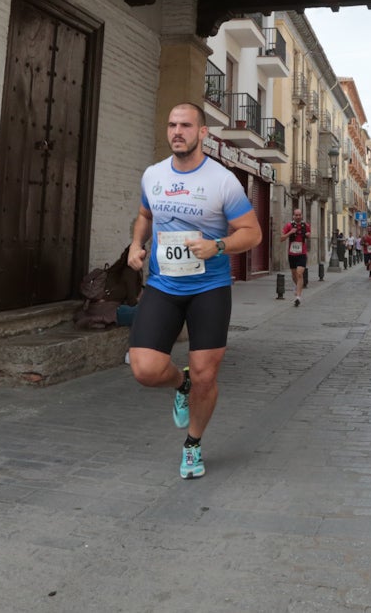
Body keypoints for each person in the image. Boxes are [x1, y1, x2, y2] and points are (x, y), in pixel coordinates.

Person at [127, 103, 263, 480]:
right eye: (172, 125)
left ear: (202, 132)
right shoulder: (153, 175)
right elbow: (145, 216)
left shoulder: (222, 181)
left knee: (206, 374)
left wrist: (218, 246)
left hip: (209, 288)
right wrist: (136, 245)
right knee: (145, 369)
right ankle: (180, 382)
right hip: (163, 284)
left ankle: (193, 443)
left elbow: (252, 233)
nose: (177, 131)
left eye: (186, 125)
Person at [282, 207, 311, 306]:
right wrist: (290, 232)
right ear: (293, 216)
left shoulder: (306, 225)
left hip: (302, 253)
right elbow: (281, 238)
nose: (298, 217)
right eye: (296, 215)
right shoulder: (289, 225)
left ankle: (298, 297)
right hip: (292, 254)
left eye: (299, 215)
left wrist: (308, 235)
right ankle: (298, 286)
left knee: (299, 274)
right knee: (294, 275)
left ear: (302, 216)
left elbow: (309, 235)